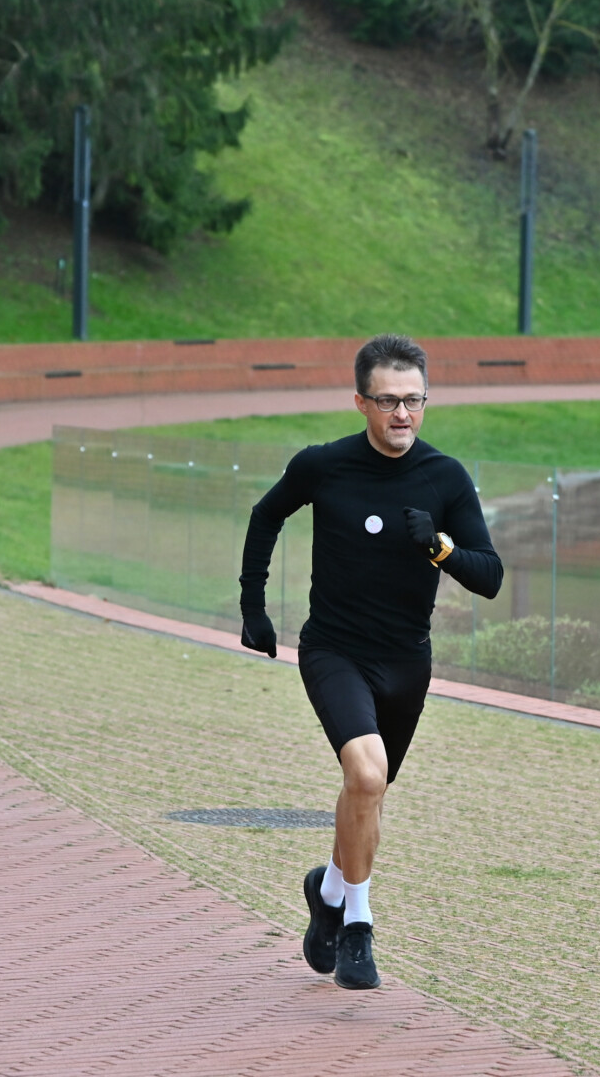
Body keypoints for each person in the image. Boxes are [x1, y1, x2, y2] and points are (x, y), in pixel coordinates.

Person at [238, 335, 503, 990]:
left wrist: (440, 548)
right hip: (334, 650)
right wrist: (254, 608)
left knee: (368, 793)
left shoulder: (445, 477)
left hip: (406, 663)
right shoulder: (324, 465)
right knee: (365, 772)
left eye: (414, 400)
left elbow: (490, 576)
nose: (402, 414)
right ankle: (358, 924)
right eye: (388, 401)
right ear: (361, 402)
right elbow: (266, 516)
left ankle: (328, 890)